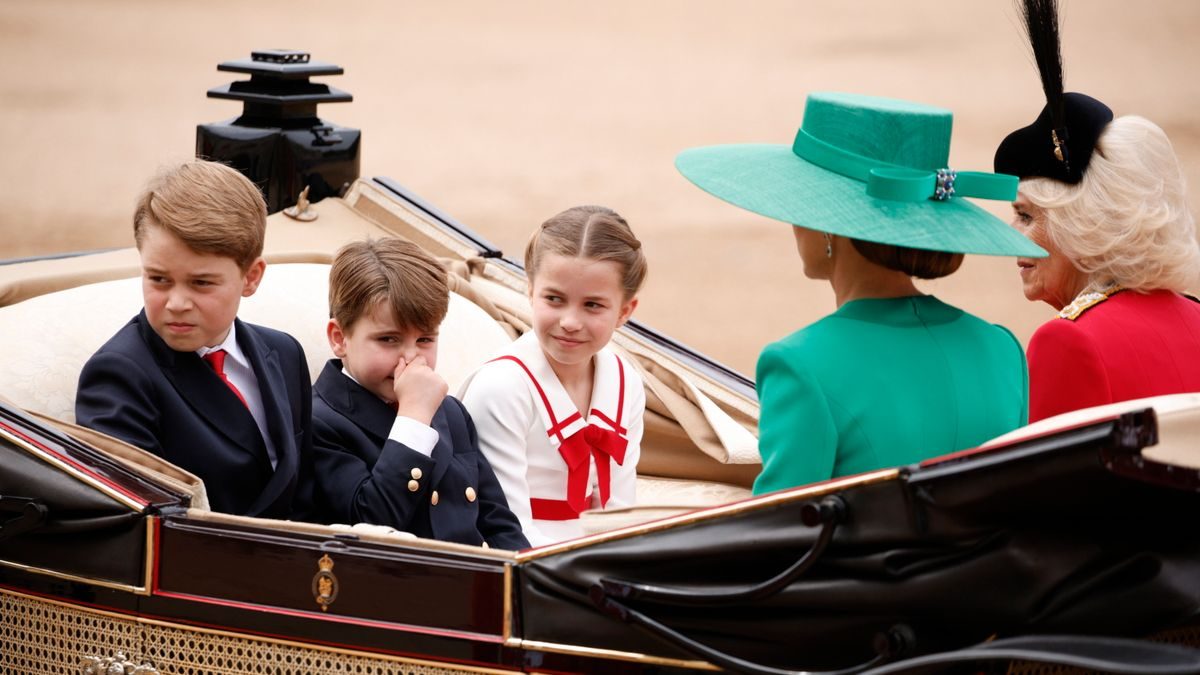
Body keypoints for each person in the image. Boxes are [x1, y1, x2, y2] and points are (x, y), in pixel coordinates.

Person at [676, 91, 1046, 494]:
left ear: (829, 227)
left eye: (803, 205)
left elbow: (779, 535)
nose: (793, 223)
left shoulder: (800, 365)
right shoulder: (1000, 348)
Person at [994, 0, 1200, 422]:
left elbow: (1048, 486)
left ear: (1082, 228)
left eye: (1027, 216)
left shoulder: (1068, 341)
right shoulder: (1195, 317)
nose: (1009, 231)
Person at [75, 160, 316, 519]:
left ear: (251, 278)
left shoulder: (284, 353)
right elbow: (135, 524)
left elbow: (307, 489)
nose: (176, 303)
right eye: (158, 279)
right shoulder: (119, 375)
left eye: (201, 282)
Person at [312, 237, 528, 550]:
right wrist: (413, 418)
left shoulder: (450, 412)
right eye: (388, 339)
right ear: (339, 338)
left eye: (425, 340)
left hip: (476, 585)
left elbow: (497, 522)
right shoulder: (319, 421)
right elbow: (370, 524)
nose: (411, 358)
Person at [459, 206, 646, 547]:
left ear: (625, 311)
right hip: (520, 561)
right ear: (529, 291)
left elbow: (620, 510)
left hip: (598, 558)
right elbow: (504, 525)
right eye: (555, 299)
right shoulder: (501, 388)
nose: (570, 321)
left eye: (592, 305)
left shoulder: (626, 381)